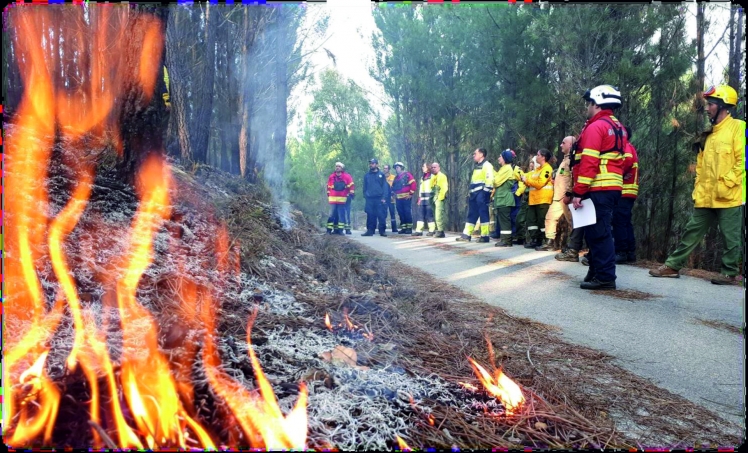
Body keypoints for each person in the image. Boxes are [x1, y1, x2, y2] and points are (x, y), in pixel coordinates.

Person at [650, 85, 745, 285]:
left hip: (729, 195)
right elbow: (700, 167)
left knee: (731, 237)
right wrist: (698, 188)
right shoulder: (707, 134)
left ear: (723, 106)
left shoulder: (739, 127)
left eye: (710, 104)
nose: (707, 108)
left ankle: (729, 273)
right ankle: (673, 266)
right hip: (706, 196)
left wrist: (726, 183)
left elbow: (743, 162)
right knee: (691, 232)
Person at [567, 85, 627, 290]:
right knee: (596, 233)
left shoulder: (596, 127)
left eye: (589, 103)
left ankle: (605, 277)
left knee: (599, 233)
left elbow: (589, 162)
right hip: (610, 187)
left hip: (598, 187)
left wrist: (579, 192)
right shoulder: (618, 127)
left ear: (597, 103)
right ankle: (596, 271)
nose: (587, 107)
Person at [537, 137, 574, 251]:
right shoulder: (564, 160)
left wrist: (569, 193)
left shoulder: (572, 159)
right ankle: (550, 242)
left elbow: (572, 178)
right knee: (550, 217)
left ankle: (573, 245)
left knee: (572, 221)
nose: (560, 145)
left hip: (566, 196)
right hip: (558, 196)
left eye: (563, 143)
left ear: (571, 145)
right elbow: (564, 177)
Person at [613, 126, 639, 262]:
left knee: (619, 221)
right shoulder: (628, 146)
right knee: (625, 221)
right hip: (628, 190)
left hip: (625, 189)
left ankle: (621, 251)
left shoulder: (625, 147)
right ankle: (630, 252)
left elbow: (626, 161)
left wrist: (615, 173)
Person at [457, 148, 494, 243]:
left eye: (475, 153)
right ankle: (466, 235)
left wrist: (485, 194)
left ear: (481, 154)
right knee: (472, 214)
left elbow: (489, 181)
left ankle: (485, 236)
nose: (473, 155)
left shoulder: (487, 165)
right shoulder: (477, 166)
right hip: (474, 194)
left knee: (483, 213)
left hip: (481, 194)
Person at [521, 149, 554, 249]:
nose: (536, 156)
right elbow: (529, 178)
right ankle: (535, 240)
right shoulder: (537, 169)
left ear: (543, 157)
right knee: (532, 221)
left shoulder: (547, 169)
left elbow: (539, 183)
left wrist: (527, 180)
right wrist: (524, 178)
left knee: (542, 221)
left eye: (538, 155)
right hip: (533, 199)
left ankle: (545, 241)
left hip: (543, 199)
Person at [493, 150, 517, 247]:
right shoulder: (504, 168)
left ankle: (506, 240)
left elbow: (496, 182)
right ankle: (505, 239)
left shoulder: (506, 168)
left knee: (505, 220)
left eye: (500, 156)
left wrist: (492, 177)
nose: (498, 158)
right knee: (503, 220)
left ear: (504, 158)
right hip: (501, 198)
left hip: (505, 199)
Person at [361, 158, 389, 237]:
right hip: (369, 199)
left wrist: (384, 197)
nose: (371, 165)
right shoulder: (367, 175)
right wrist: (365, 195)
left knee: (381, 215)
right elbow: (364, 187)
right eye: (370, 163)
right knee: (370, 214)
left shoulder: (381, 175)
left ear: (376, 164)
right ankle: (370, 230)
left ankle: (382, 231)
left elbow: (385, 187)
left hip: (379, 198)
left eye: (373, 163)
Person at [326, 162, 354, 235]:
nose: (337, 167)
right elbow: (328, 187)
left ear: (342, 168)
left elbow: (351, 185)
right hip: (332, 199)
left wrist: (351, 194)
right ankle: (328, 230)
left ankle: (340, 230)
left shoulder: (347, 176)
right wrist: (328, 194)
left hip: (342, 199)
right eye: (336, 166)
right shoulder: (331, 176)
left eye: (339, 166)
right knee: (332, 215)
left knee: (341, 215)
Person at [391, 162, 417, 234]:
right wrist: (393, 194)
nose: (396, 169)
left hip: (406, 198)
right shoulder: (396, 178)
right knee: (401, 213)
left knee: (407, 212)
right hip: (398, 198)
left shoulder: (407, 175)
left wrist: (411, 193)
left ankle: (409, 228)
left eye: (397, 167)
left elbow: (413, 184)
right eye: (395, 168)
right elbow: (393, 187)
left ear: (401, 168)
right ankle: (403, 227)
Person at [413, 163, 436, 236]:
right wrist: (419, 199)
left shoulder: (432, 177)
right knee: (420, 215)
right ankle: (419, 230)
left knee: (429, 215)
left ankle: (432, 230)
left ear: (428, 168)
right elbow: (420, 189)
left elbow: (435, 189)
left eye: (424, 166)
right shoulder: (422, 177)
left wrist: (434, 199)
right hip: (422, 200)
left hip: (429, 200)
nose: (422, 167)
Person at [430, 162, 449, 238]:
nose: (433, 169)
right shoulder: (433, 177)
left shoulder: (442, 176)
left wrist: (440, 198)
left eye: (435, 167)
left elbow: (444, 188)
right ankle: (438, 230)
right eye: (432, 167)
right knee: (435, 214)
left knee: (439, 215)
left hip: (439, 197)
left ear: (439, 168)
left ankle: (441, 231)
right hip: (433, 197)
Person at [382, 164, 398, 232]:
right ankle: (383, 227)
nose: (385, 169)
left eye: (386, 168)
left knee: (392, 212)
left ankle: (394, 228)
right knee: (383, 212)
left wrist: (395, 193)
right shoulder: (381, 177)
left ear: (389, 169)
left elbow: (396, 186)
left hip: (391, 196)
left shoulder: (393, 177)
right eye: (384, 168)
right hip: (385, 197)